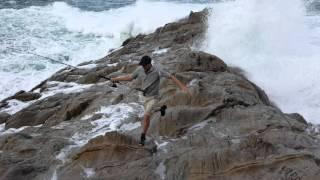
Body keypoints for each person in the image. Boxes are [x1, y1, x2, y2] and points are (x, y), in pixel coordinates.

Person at [111, 55, 190, 146]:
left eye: (144, 65)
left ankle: (143, 136)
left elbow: (171, 76)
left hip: (154, 97)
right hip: (144, 97)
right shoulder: (140, 70)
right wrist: (116, 79)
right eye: (142, 65)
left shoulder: (157, 71)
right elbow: (130, 77)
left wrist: (182, 86)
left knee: (146, 115)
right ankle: (161, 109)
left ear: (149, 64)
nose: (143, 67)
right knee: (150, 111)